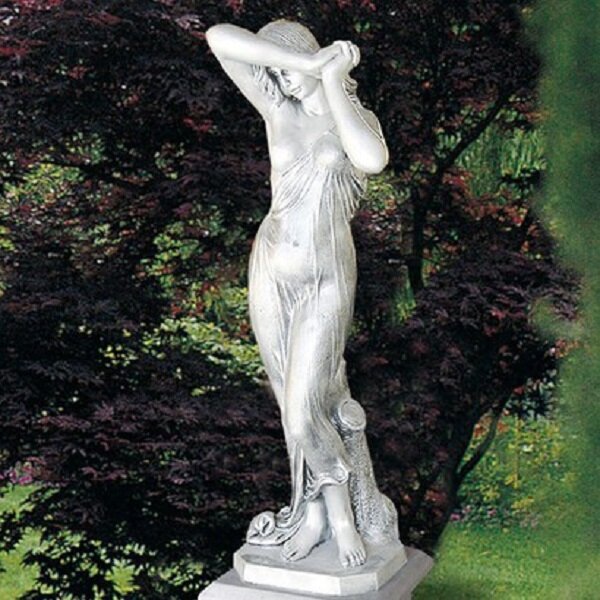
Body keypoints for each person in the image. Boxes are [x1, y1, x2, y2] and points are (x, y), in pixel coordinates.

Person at [206, 19, 396, 569]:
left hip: (325, 280)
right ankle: (313, 515)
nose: (281, 78)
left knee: (302, 406)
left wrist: (329, 79)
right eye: (275, 68)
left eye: (288, 63)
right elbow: (218, 38)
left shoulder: (352, 119)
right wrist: (305, 66)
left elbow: (372, 160)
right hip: (270, 270)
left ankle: (342, 520)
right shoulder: (277, 111)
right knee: (287, 396)